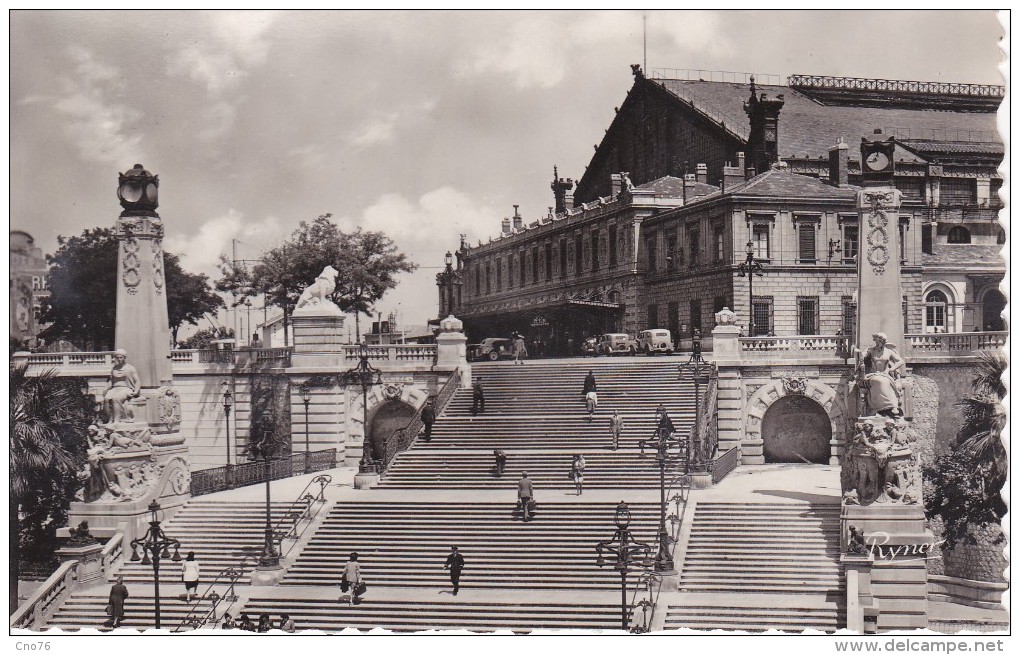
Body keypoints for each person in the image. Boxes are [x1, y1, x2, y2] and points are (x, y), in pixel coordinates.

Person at [858, 332, 904, 417]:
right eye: (877, 342)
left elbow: (901, 361)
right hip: (873, 374)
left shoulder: (889, 352)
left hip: (885, 374)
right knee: (879, 381)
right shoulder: (871, 350)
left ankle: (890, 407)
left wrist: (892, 369)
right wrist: (862, 355)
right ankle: (885, 407)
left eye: (881, 342)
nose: (878, 344)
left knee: (884, 381)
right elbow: (862, 355)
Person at [103, 349, 140, 424]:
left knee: (116, 399)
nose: (119, 359)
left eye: (121, 357)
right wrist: (106, 388)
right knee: (106, 399)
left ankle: (117, 420)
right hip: (115, 388)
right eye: (117, 358)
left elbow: (137, 381)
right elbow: (111, 380)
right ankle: (110, 419)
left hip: (126, 388)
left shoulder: (130, 368)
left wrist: (136, 391)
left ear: (124, 358)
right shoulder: (114, 368)